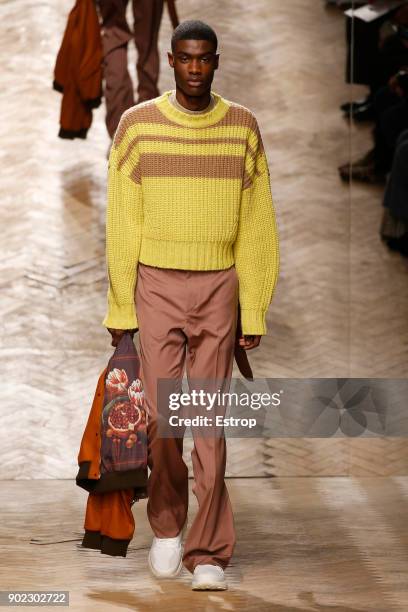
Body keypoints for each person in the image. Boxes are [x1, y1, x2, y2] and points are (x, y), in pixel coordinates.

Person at [102, 19, 280, 590]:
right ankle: (167, 525)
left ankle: (208, 552)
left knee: (207, 422)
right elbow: (121, 224)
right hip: (154, 283)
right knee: (161, 417)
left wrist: (253, 309)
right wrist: (120, 310)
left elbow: (257, 228)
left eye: (205, 60)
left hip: (219, 286)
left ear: (217, 62)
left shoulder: (243, 127)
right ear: (171, 60)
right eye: (186, 59)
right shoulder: (137, 127)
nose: (196, 69)